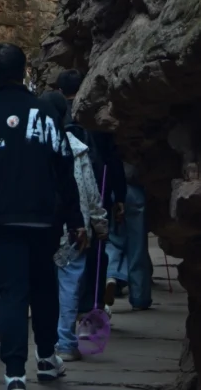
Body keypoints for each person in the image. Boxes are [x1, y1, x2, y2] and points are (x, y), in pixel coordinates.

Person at [0, 44, 84, 387]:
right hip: (44, 218)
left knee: (12, 293)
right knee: (44, 287)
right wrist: (74, 218)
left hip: (1, 221)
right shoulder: (45, 114)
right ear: (23, 70)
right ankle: (46, 358)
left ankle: (14, 373)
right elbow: (65, 169)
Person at [41, 92, 108, 361]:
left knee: (45, 288)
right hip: (74, 229)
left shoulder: (33, 145)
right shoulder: (76, 148)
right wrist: (100, 223)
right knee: (69, 287)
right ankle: (66, 343)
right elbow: (90, 191)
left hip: (42, 228)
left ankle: (46, 344)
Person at [54, 71, 127, 316]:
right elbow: (113, 158)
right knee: (97, 247)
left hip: (62, 194)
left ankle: (65, 306)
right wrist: (120, 195)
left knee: (63, 251)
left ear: (60, 90)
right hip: (98, 186)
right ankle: (92, 302)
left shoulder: (55, 116)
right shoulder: (93, 116)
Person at [105, 164, 153, 310]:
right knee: (138, 247)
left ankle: (110, 275)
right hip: (136, 190)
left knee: (113, 240)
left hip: (111, 190)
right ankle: (140, 297)